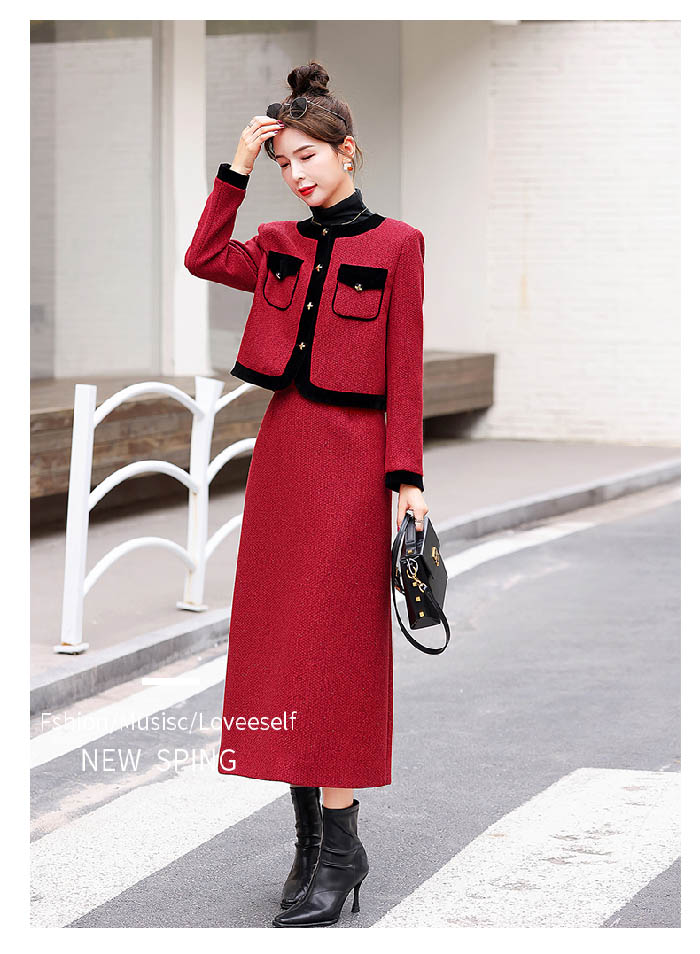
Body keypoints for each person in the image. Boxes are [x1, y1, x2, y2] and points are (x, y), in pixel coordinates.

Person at [184, 60, 428, 928]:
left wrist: (408, 480)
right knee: (283, 645)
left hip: (355, 465)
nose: (296, 174)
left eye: (306, 157)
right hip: (285, 457)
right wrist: (237, 168)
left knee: (338, 652)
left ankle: (342, 845)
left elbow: (405, 369)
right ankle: (309, 846)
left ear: (346, 151)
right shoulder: (278, 242)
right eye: (283, 162)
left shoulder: (398, 245)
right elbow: (203, 257)